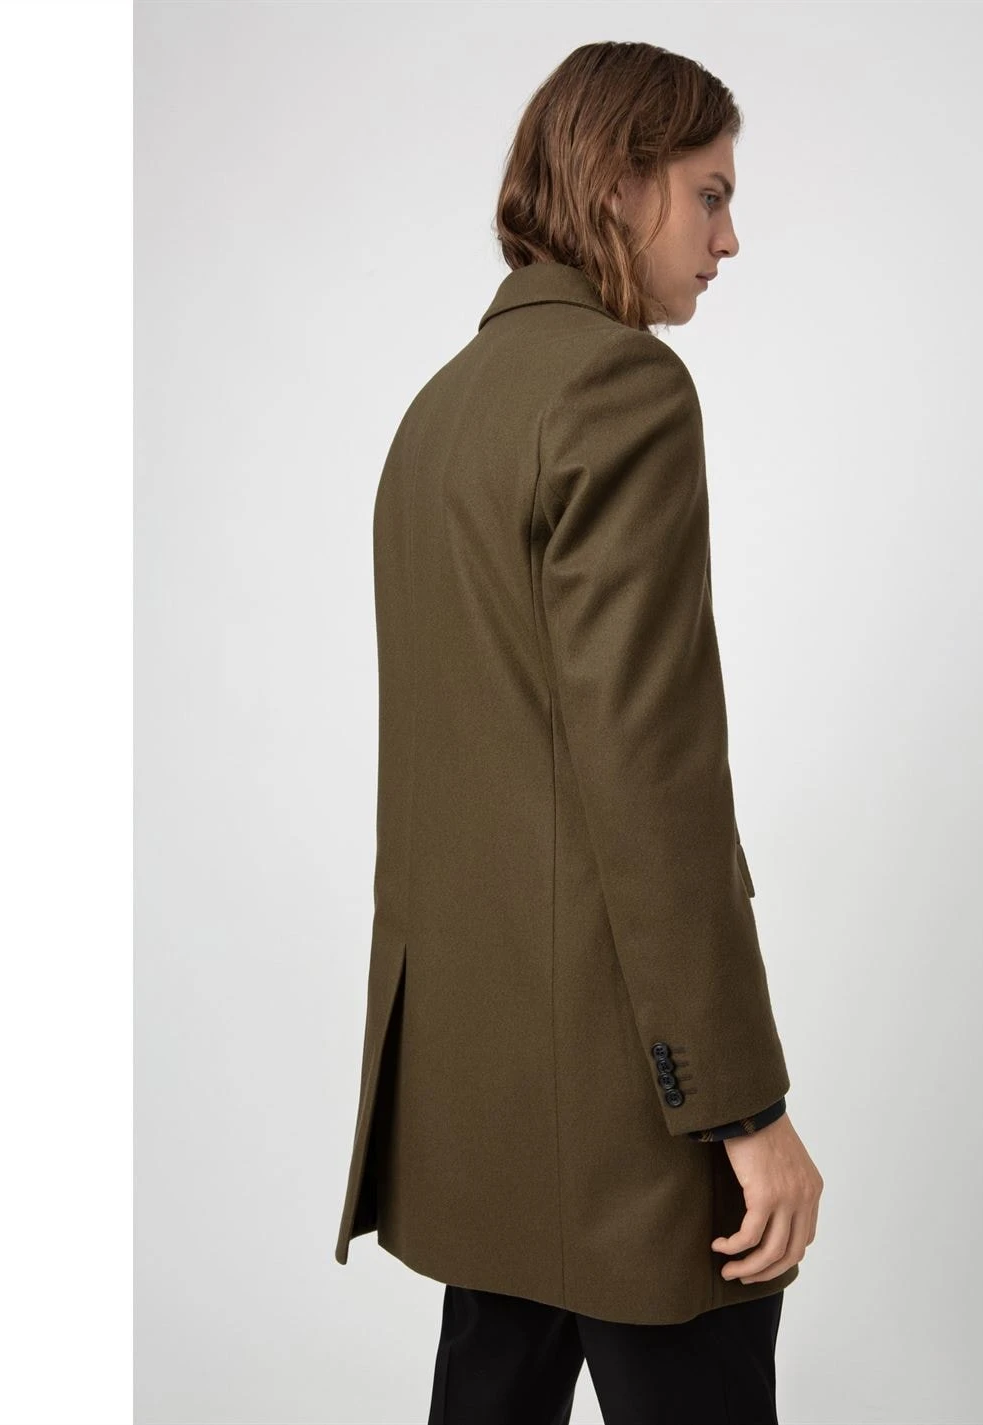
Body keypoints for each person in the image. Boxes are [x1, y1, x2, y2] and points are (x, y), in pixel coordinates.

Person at [334, 40, 824, 1425]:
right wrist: (744, 1111)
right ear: (620, 184)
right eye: (709, 197)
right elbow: (648, 778)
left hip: (479, 1094)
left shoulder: (440, 413)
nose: (729, 240)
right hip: (621, 1102)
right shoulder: (623, 391)